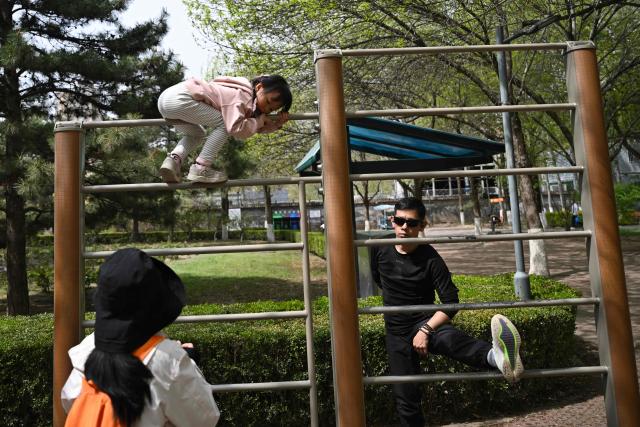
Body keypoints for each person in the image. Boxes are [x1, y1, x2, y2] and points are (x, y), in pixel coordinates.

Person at [370, 197, 524, 427]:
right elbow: (378, 279)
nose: (404, 227)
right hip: (396, 331)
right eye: (400, 221)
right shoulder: (378, 250)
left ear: (423, 226)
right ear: (392, 221)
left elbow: (451, 301)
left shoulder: (431, 259)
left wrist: (425, 329)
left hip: (424, 320)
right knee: (406, 400)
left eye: (412, 223)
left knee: (450, 340)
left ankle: (497, 357)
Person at [61, 248, 220, 426]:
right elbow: (205, 419)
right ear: (156, 303)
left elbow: (69, 400)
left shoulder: (88, 348)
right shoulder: (168, 360)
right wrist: (189, 361)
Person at [158, 74, 292, 184]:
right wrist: (260, 121)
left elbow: (252, 126)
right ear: (259, 87)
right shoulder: (243, 96)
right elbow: (236, 128)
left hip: (167, 99)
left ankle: (173, 160)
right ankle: (201, 168)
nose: (267, 110)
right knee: (225, 125)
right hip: (182, 98)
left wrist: (275, 124)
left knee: (197, 134)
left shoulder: (243, 94)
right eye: (268, 102)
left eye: (272, 110)